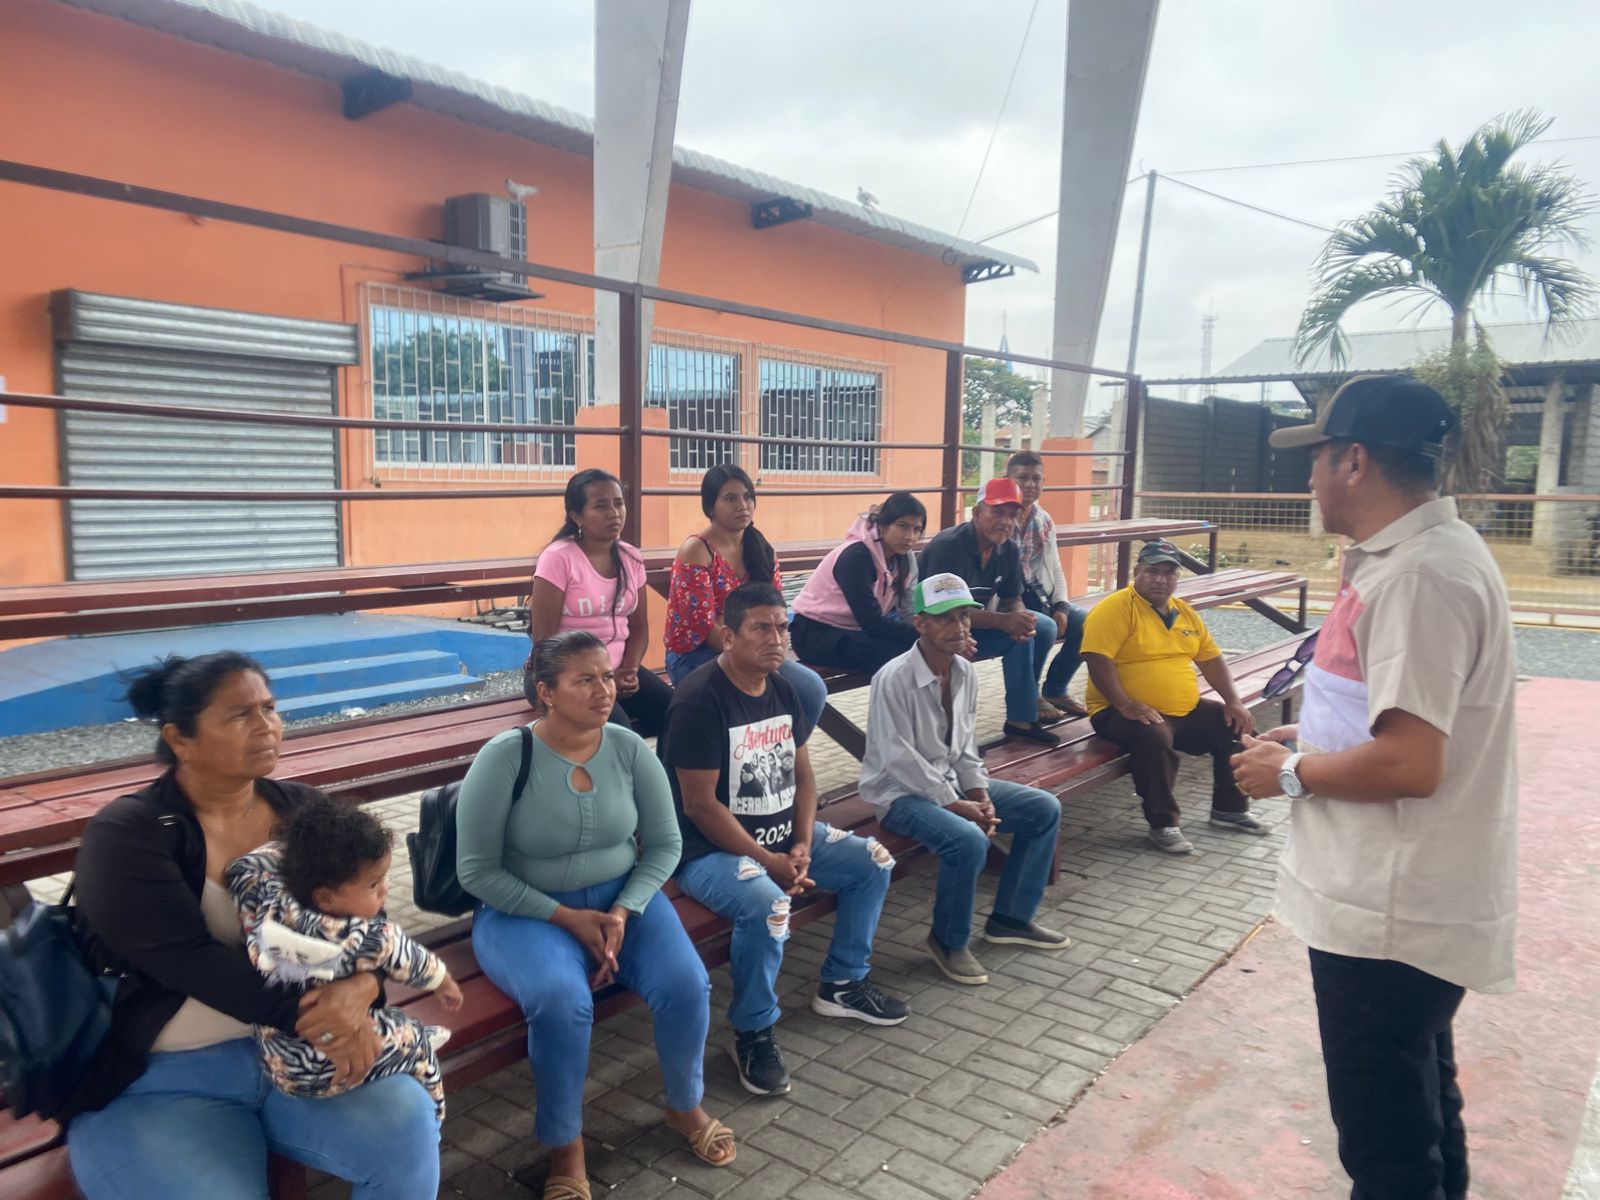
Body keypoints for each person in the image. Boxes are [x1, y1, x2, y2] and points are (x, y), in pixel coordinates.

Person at [1232, 375, 1515, 1200]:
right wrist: (1314, 739)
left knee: (1387, 1152)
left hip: (1388, 914)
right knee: (1419, 1110)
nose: (1309, 478)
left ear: (1354, 461)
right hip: (1395, 906)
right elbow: (1393, 719)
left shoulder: (1420, 577)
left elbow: (1410, 763)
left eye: (1318, 457)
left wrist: (1290, 773)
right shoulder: (1414, 559)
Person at [65, 652, 440, 1200]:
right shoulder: (128, 834)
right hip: (162, 1078)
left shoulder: (303, 810)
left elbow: (368, 921)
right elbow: (189, 961)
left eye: (269, 707)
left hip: (303, 1057)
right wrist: (324, 1015)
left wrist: (364, 986)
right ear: (180, 739)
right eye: (241, 714)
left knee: (406, 1132)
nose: (267, 726)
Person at [459, 631, 734, 1196]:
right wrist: (567, 918)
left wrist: (624, 910)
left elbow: (665, 845)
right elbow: (477, 872)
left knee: (686, 984)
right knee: (562, 1003)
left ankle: (684, 1104)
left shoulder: (628, 748)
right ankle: (566, 1144)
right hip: (523, 911)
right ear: (546, 692)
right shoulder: (505, 757)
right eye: (584, 679)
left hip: (622, 901)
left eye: (606, 676)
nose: (603, 690)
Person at [661, 582, 907, 1098]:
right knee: (770, 906)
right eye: (761, 628)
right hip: (709, 851)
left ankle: (843, 983)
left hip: (779, 840)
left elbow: (805, 777)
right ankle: (752, 1031)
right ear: (729, 636)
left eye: (781, 628)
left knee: (873, 861)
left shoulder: (783, 689)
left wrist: (801, 844)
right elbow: (700, 806)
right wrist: (768, 861)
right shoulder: (699, 700)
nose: (776, 640)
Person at [861, 573, 1070, 986]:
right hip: (898, 794)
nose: (958, 627)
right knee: (968, 839)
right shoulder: (893, 677)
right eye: (944, 619)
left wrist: (980, 794)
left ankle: (1011, 918)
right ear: (920, 624)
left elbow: (964, 747)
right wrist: (957, 804)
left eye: (963, 617)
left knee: (1044, 809)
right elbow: (899, 758)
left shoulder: (963, 671)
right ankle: (947, 940)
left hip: (948, 783)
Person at [226, 797, 464, 1122]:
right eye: (373, 884)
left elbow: (241, 871)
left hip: (283, 1065)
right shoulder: (358, 936)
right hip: (335, 1063)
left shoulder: (269, 906)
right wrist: (443, 982)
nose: (385, 890)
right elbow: (410, 958)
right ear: (325, 897)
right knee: (414, 1039)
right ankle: (436, 1109)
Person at [1080, 540, 1264, 854]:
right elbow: (1097, 658)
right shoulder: (1115, 608)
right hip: (1117, 711)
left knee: (1239, 728)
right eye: (1153, 571)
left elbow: (1211, 660)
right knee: (1153, 738)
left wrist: (1233, 701)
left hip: (1181, 710)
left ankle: (1229, 809)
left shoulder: (1184, 612)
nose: (1161, 579)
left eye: (1169, 573)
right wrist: (1125, 703)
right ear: (1137, 572)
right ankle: (1163, 823)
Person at [664, 462, 828, 728]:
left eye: (748, 496)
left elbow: (774, 609)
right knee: (744, 702)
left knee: (810, 688)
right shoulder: (697, 550)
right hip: (697, 653)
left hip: (755, 648)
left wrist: (765, 653)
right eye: (730, 498)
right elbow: (704, 627)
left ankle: (783, 748)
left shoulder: (761, 548)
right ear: (710, 507)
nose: (742, 505)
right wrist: (752, 660)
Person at [526, 467, 671, 738]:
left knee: (678, 713)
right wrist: (600, 678)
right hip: (564, 675)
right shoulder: (558, 558)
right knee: (618, 734)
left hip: (616, 670)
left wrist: (629, 670)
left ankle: (663, 770)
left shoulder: (631, 557)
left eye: (618, 503)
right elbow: (544, 642)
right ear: (577, 515)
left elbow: (638, 628)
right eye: (600, 506)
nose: (614, 513)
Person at [917, 476, 1061, 745]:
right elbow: (939, 612)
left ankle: (1021, 718)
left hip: (967, 624)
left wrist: (1019, 619)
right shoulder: (949, 547)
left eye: (1012, 514)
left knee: (1031, 631)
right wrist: (1002, 621)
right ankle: (951, 735)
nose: (1006, 521)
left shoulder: (1008, 549)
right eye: (996, 512)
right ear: (976, 513)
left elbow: (1012, 598)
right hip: (932, 628)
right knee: (959, 643)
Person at [789, 491, 924, 675]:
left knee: (917, 650)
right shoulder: (856, 557)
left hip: (853, 630)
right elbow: (872, 622)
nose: (910, 536)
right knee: (898, 656)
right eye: (903, 526)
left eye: (917, 529)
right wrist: (923, 635)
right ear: (883, 524)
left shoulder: (904, 559)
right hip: (814, 633)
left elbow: (908, 607)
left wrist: (929, 633)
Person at [1006, 451, 1090, 717]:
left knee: (1087, 622)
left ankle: (1056, 688)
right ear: (1008, 480)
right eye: (1022, 478)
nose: (1030, 484)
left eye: (1036, 478)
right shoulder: (998, 517)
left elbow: (1054, 567)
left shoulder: (1043, 519)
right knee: (1043, 627)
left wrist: (1062, 605)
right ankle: (1028, 695)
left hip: (1036, 596)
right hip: (1004, 601)